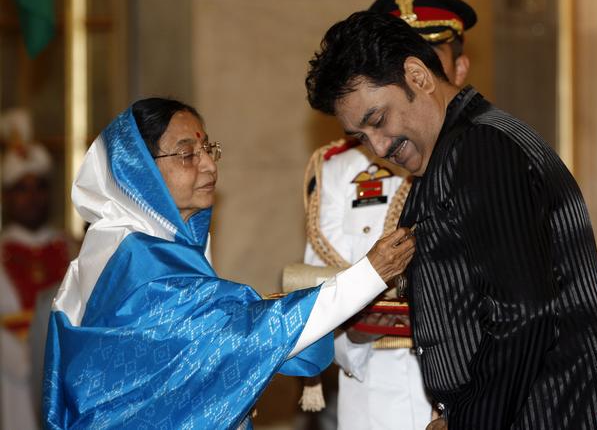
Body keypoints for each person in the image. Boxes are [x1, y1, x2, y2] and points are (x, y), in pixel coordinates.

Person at [305, 11, 597, 429]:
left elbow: (523, 313)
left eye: (377, 120)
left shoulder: (482, 148)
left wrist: (471, 421)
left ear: (418, 76)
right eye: (360, 136)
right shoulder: (448, 158)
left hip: (564, 411)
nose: (378, 146)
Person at [42, 98, 415, 430]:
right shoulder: (137, 260)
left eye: (208, 149)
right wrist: (370, 273)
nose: (208, 166)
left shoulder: (121, 246)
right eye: (187, 154)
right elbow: (244, 332)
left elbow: (209, 342)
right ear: (137, 169)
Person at [302, 0, 475, 429]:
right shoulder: (341, 169)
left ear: (456, 67)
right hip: (373, 402)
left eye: (432, 60)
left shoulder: (495, 153)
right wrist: (354, 331)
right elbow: (317, 291)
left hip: (474, 394)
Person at [0, 108, 76, 430]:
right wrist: (21, 358)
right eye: (22, 188)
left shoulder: (72, 248)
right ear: (6, 196)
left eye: (39, 187)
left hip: (63, 371)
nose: (32, 197)